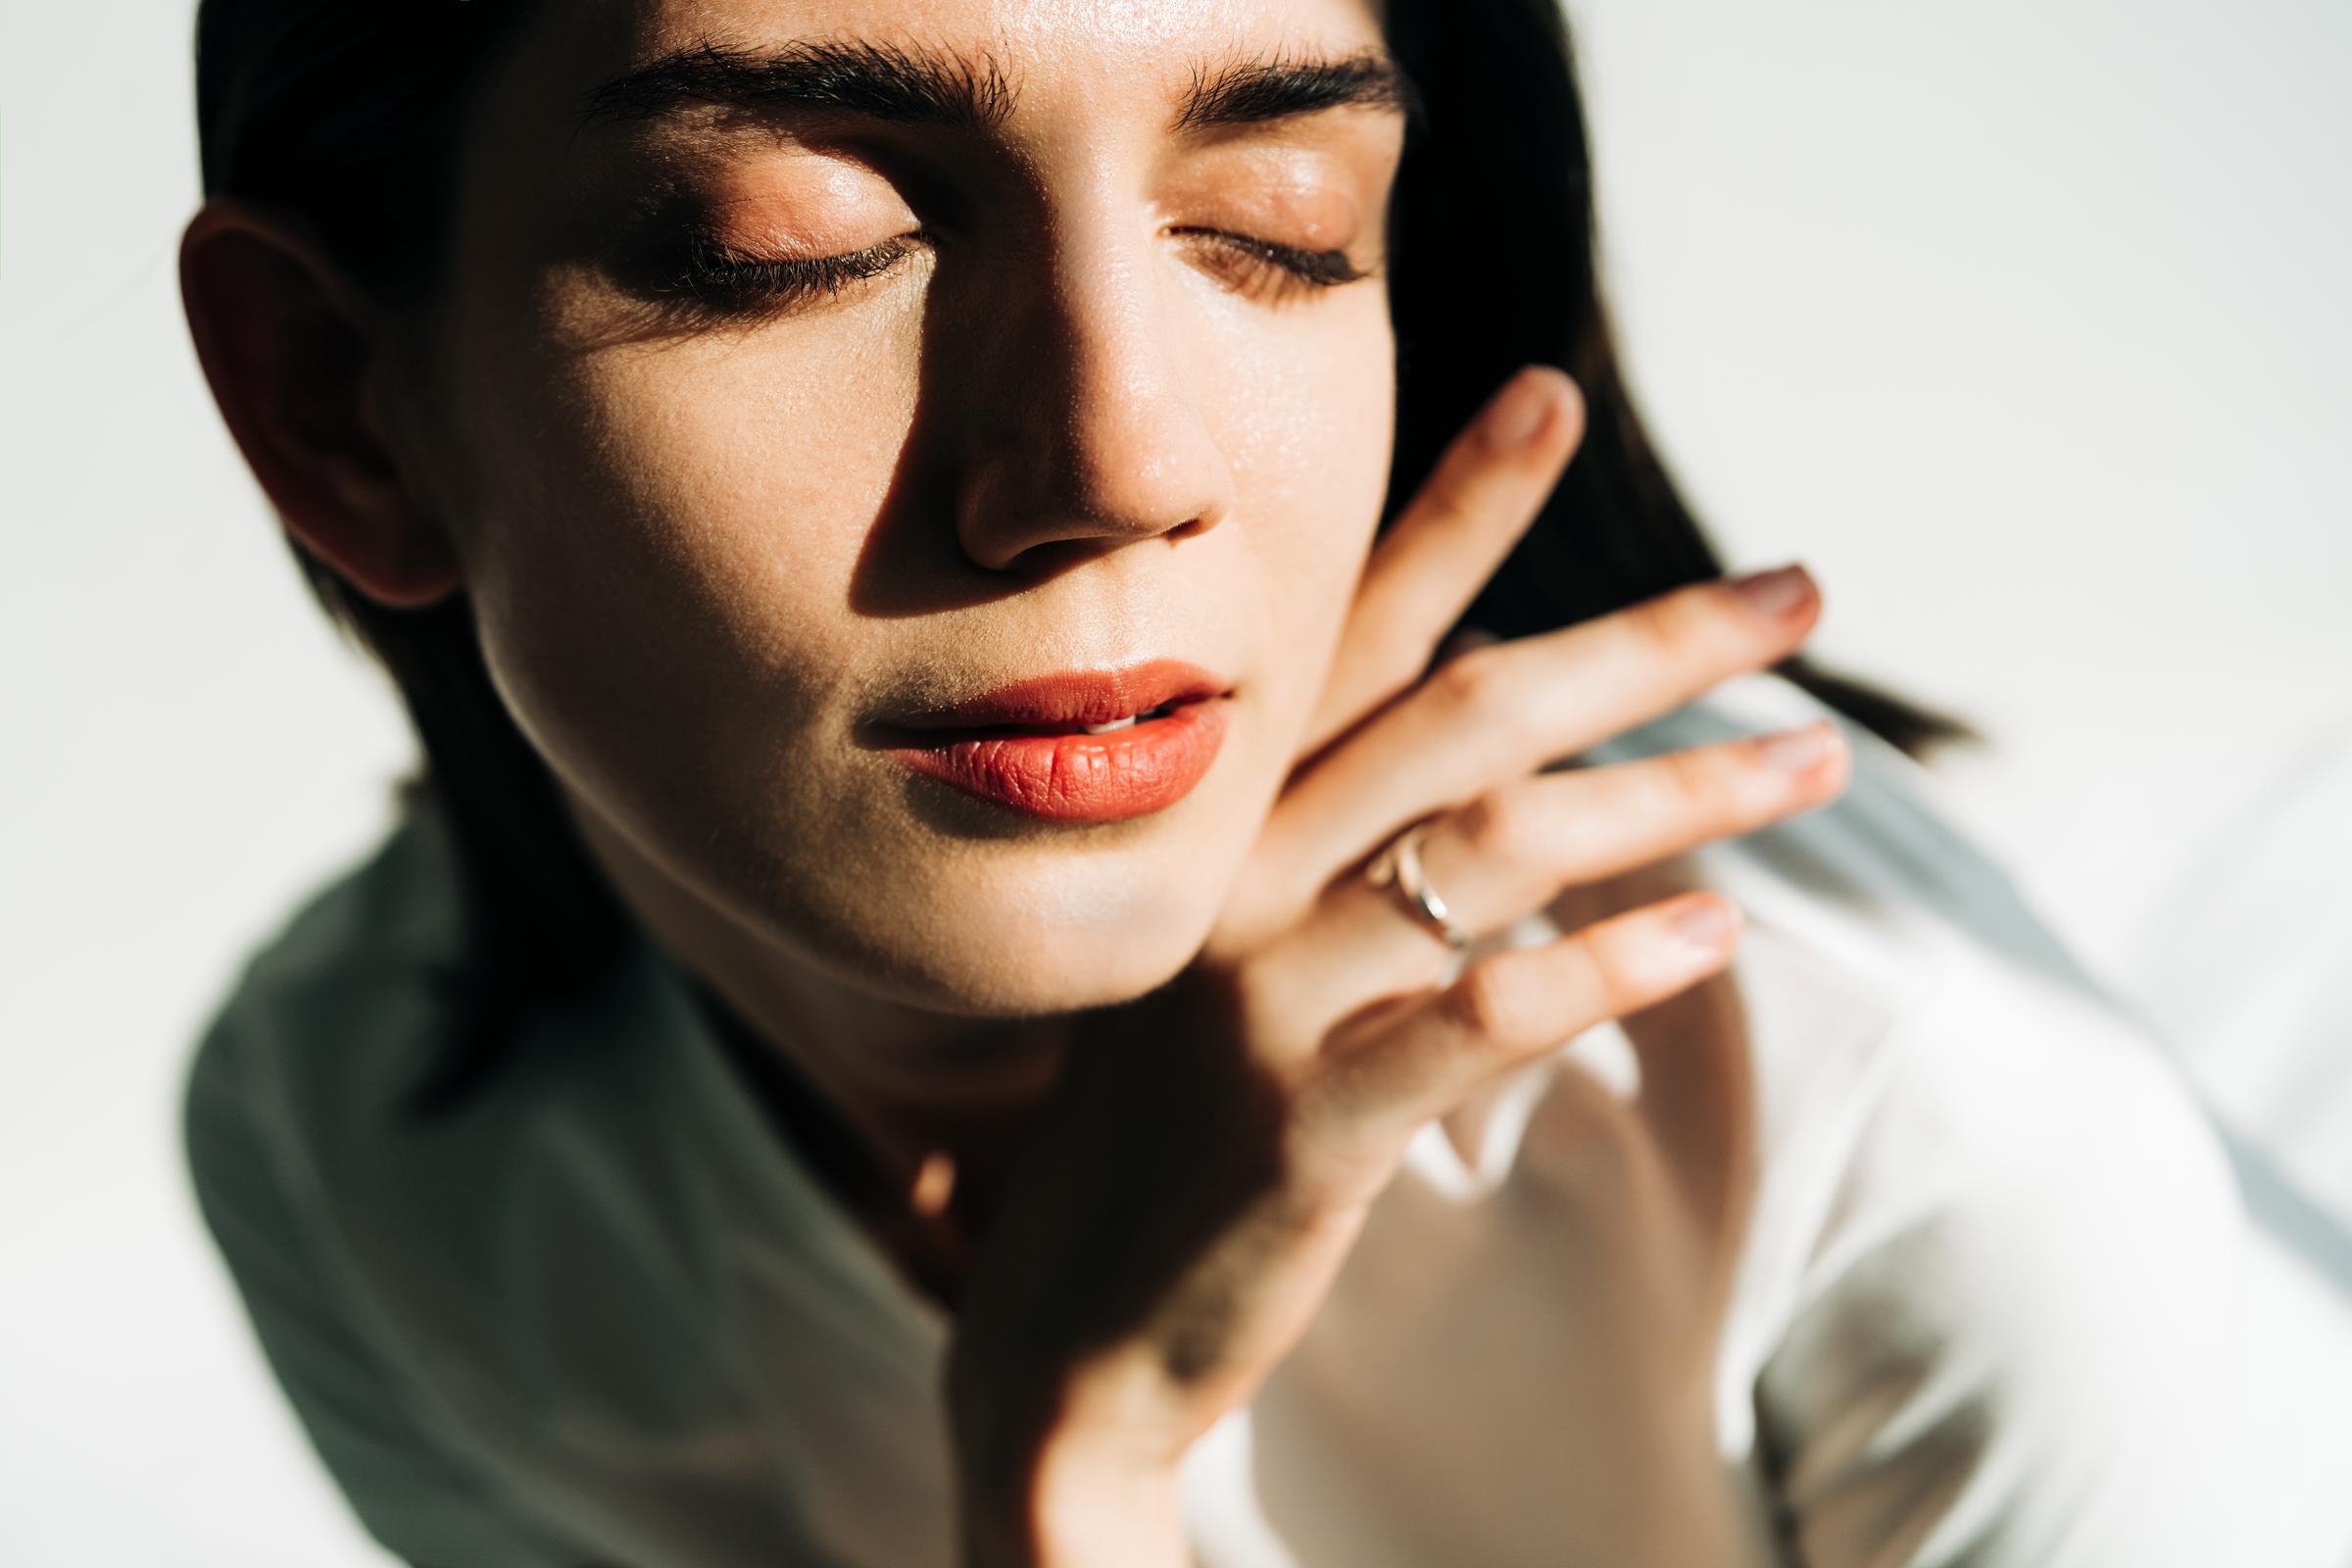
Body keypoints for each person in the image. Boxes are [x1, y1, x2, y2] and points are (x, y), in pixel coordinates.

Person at [174, 0, 2352, 1564]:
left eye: (1283, 225)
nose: (1118, 460)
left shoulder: (1901, 1095)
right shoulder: (360, 1148)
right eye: (797, 239)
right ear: (339, 409)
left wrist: (1079, 1475)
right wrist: (1070, 1463)